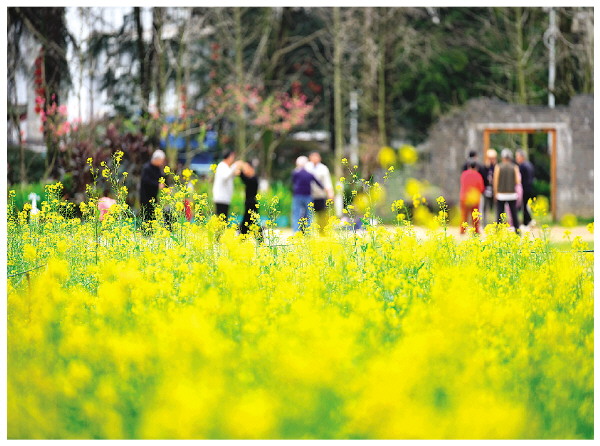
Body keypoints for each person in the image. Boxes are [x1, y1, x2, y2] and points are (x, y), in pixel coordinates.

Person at [292, 156, 324, 233]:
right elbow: (318, 183)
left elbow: (293, 182)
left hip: (297, 195)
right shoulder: (309, 174)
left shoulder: (296, 173)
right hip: (308, 196)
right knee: (309, 214)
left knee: (296, 214)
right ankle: (308, 231)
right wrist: (324, 189)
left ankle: (296, 231)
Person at [493, 148, 521, 232]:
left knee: (499, 213)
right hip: (512, 194)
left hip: (501, 194)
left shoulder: (498, 166)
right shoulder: (514, 167)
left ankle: (498, 231)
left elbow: (495, 181)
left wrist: (495, 193)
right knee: (514, 214)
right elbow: (518, 181)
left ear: (502, 157)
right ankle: (517, 230)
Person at [305, 151, 334, 231]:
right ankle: (306, 231)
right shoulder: (306, 167)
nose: (315, 159)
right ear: (310, 158)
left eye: (316, 157)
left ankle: (322, 231)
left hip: (320, 195)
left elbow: (327, 182)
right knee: (306, 215)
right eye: (313, 157)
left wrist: (330, 193)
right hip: (308, 195)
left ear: (320, 158)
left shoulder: (323, 168)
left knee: (321, 214)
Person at [212, 150, 241, 220]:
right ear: (229, 157)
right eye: (232, 156)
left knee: (223, 218)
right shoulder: (222, 166)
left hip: (225, 198)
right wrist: (234, 166)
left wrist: (234, 173)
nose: (233, 158)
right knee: (221, 219)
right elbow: (225, 176)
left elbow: (228, 178)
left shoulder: (226, 167)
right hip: (221, 198)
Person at [139, 149, 166, 223]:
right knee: (146, 216)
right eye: (161, 160)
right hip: (146, 197)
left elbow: (162, 179)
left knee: (154, 216)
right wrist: (157, 185)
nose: (162, 162)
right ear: (157, 159)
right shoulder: (147, 168)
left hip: (154, 197)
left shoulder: (158, 169)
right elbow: (146, 181)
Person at [459, 161, 485, 234]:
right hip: (474, 198)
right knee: (475, 216)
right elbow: (481, 188)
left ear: (468, 167)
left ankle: (462, 231)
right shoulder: (478, 175)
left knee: (464, 215)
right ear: (476, 168)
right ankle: (476, 231)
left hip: (464, 197)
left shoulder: (464, 174)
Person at [515, 149, 535, 228]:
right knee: (526, 205)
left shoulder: (522, 166)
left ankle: (526, 222)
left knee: (524, 206)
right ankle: (528, 220)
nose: (516, 158)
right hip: (530, 187)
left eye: (517, 156)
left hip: (524, 188)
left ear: (522, 157)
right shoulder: (530, 165)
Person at [239, 160, 260, 235]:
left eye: (246, 168)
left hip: (252, 204)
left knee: (248, 223)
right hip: (249, 204)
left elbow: (246, 180)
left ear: (251, 168)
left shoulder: (254, 179)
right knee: (251, 223)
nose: (245, 170)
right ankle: (243, 238)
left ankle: (242, 238)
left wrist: (240, 173)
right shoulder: (252, 178)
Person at [482, 149, 498, 225]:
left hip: (495, 190)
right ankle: (484, 223)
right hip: (486, 189)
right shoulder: (484, 168)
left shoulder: (497, 167)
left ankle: (496, 223)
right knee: (485, 207)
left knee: (496, 207)